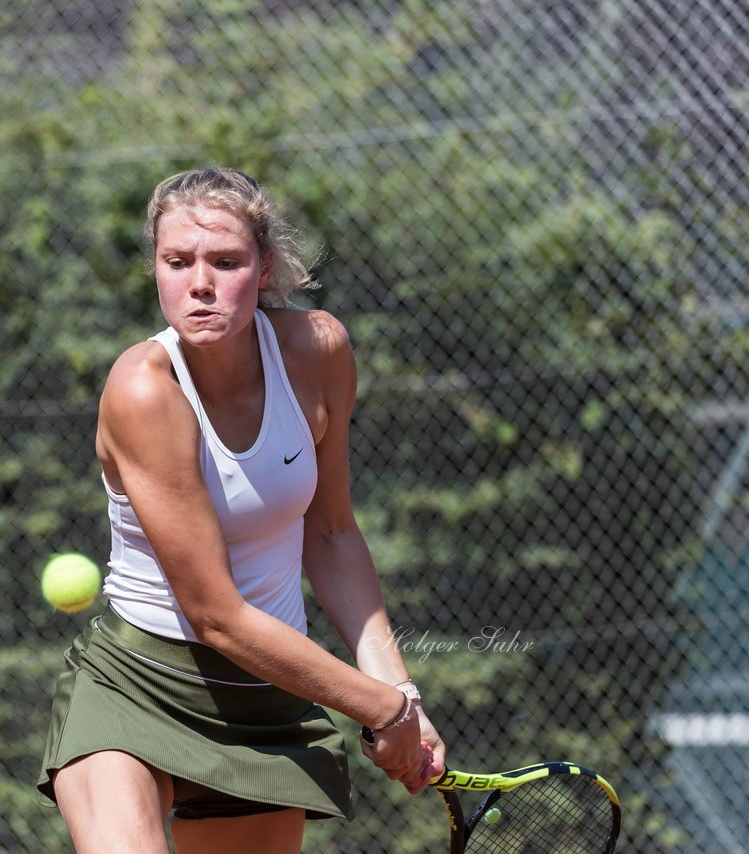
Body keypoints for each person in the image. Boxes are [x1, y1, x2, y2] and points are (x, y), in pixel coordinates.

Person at [37, 167, 447, 853]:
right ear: (157, 270)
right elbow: (216, 615)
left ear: (263, 269)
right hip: (137, 684)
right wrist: (380, 708)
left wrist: (400, 691)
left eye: (225, 261)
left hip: (266, 706)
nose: (200, 282)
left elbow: (333, 530)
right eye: (178, 262)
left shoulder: (318, 352)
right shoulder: (142, 390)